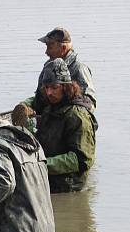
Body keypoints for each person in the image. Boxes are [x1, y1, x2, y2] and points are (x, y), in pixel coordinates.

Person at [32, 58, 97, 193]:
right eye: (47, 88)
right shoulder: (50, 108)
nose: (49, 92)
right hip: (48, 179)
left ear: (66, 87)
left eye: (54, 87)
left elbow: (81, 159)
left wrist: (43, 164)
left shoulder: (77, 116)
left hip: (68, 187)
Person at [13, 26, 96, 126]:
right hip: (46, 122)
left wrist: (62, 117)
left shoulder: (79, 69)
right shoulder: (48, 66)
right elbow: (40, 96)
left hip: (67, 125)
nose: (46, 52)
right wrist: (27, 105)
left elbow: (89, 105)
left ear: (63, 48)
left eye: (50, 47)